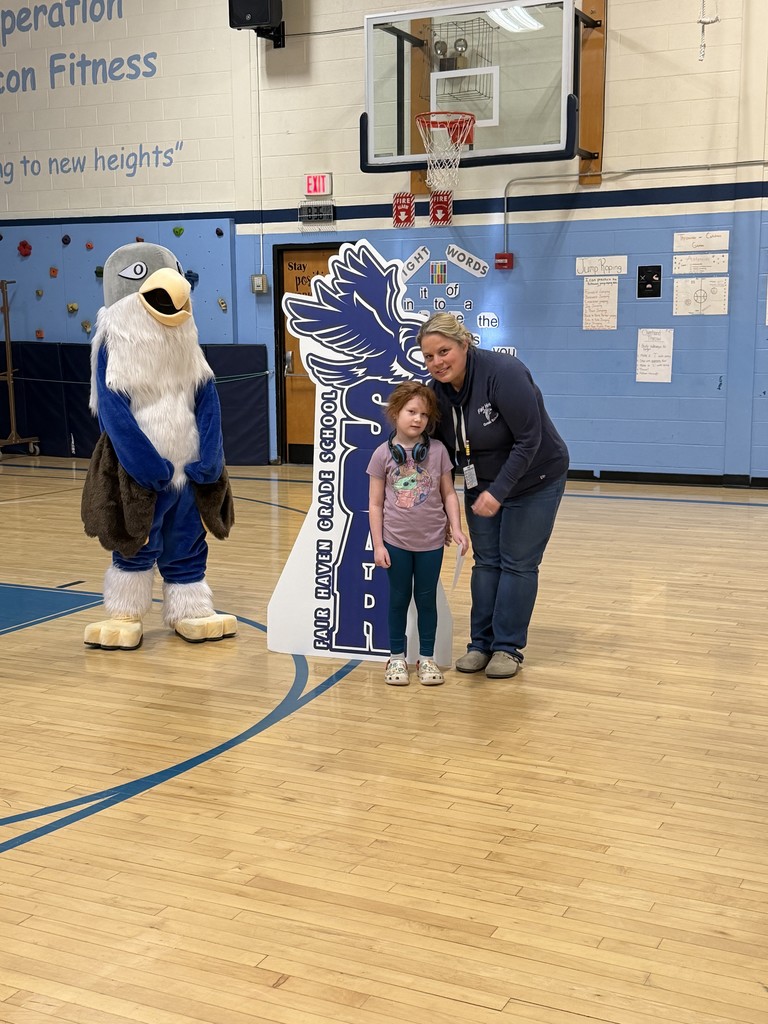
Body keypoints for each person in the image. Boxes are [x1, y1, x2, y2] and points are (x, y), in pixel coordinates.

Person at [417, 313, 569, 680]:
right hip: (479, 484)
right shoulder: (436, 392)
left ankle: (508, 648)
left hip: (535, 478)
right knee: (485, 563)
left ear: (464, 345)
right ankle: (480, 645)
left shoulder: (504, 373)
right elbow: (438, 451)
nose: (438, 362)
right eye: (429, 356)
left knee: (517, 562)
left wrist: (499, 492)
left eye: (444, 351)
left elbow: (529, 439)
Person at [367, 381, 469, 687]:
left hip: (431, 543)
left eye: (424, 415)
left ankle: (427, 658)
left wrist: (457, 527)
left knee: (427, 601)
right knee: (398, 599)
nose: (418, 419)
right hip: (395, 542)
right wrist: (377, 545)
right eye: (411, 412)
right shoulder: (381, 455)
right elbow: (374, 504)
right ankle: (396, 657)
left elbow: (449, 493)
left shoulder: (437, 452)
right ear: (396, 412)